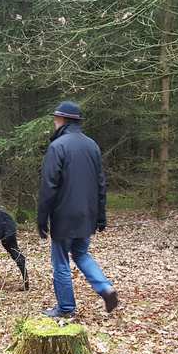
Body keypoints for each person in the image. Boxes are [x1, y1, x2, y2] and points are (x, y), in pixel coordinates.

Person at [38, 101, 118, 317]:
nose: (54, 122)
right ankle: (105, 288)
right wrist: (100, 216)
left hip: (64, 215)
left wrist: (41, 218)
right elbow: (101, 183)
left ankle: (66, 308)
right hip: (87, 214)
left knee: (61, 261)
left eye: (56, 118)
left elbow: (49, 185)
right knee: (81, 253)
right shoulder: (92, 145)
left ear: (63, 120)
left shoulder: (58, 146)